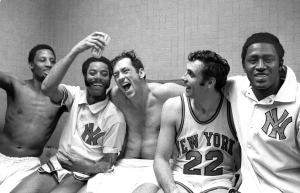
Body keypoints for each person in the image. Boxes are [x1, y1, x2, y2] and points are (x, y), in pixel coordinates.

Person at [12, 32, 126, 193]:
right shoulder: (75, 96)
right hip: (56, 164)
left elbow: (108, 164)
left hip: (81, 172)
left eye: (104, 74)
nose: (98, 77)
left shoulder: (114, 118)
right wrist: (76, 51)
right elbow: (47, 87)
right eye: (92, 73)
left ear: (109, 80)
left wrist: (85, 166)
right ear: (85, 77)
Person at [83, 50, 185, 193]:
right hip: (123, 164)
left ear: (141, 73)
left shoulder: (165, 93)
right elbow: (92, 107)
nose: (120, 77)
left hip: (154, 166)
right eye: (116, 75)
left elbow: (201, 94)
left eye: (125, 71)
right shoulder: (115, 95)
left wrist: (227, 84)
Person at [154, 50, 240, 193]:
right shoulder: (173, 107)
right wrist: (171, 189)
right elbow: (161, 158)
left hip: (220, 181)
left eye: (191, 74)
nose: (183, 78)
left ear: (210, 82)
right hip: (181, 179)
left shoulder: (234, 109)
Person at [224, 32, 300, 193]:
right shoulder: (236, 88)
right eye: (253, 60)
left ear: (280, 64)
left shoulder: (298, 101)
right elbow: (201, 87)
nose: (260, 66)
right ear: (244, 66)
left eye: (268, 59)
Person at [0, 44, 66, 193]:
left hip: (28, 165)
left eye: (52, 61)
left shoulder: (62, 98)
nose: (48, 64)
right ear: (31, 64)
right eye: (42, 60)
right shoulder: (16, 85)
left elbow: (89, 103)